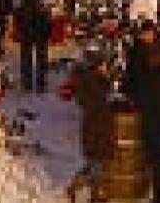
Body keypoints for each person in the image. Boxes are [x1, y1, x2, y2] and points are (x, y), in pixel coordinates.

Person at [124, 20, 160, 203]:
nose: (147, 36)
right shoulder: (141, 57)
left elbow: (145, 92)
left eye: (149, 33)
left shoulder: (159, 74)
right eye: (144, 33)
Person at [71, 47, 113, 203]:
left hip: (97, 126)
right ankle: (92, 195)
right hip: (96, 127)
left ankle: (83, 190)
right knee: (96, 163)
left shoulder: (91, 78)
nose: (105, 67)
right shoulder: (93, 80)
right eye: (103, 64)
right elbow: (97, 99)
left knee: (95, 163)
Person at [14, 0, 54, 93]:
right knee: (41, 53)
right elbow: (50, 2)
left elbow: (17, 3)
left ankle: (27, 83)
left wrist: (17, 21)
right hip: (41, 20)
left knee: (26, 53)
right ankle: (41, 83)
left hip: (27, 21)